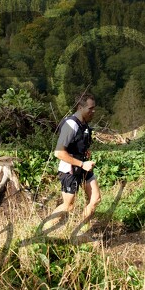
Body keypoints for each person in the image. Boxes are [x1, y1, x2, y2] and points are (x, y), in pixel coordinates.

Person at [50, 93, 101, 226]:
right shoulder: (71, 125)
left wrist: (84, 153)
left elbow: (78, 143)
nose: (93, 111)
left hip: (82, 168)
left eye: (94, 108)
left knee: (95, 199)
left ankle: (81, 229)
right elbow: (58, 153)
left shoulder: (84, 124)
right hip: (70, 170)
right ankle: (44, 229)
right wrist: (82, 163)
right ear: (80, 107)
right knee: (68, 206)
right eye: (90, 108)